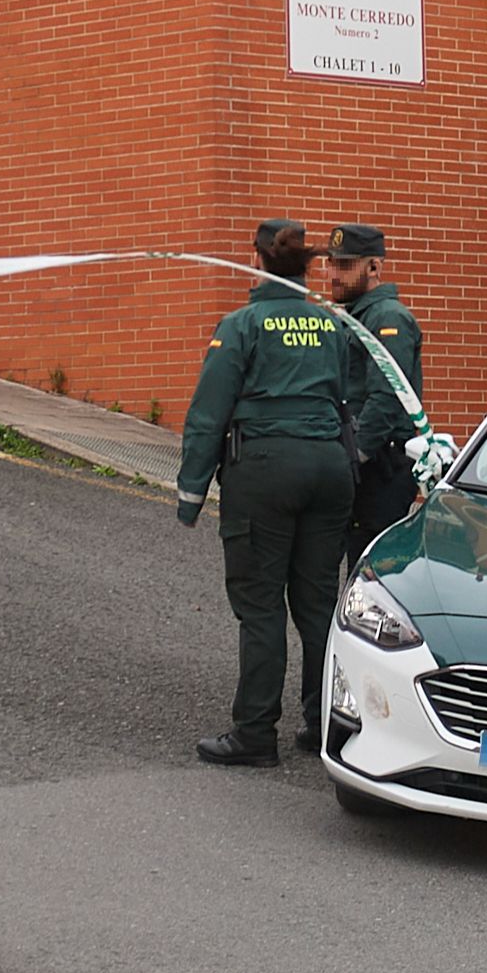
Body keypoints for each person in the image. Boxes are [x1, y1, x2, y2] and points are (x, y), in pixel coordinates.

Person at [174, 216, 357, 767]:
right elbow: (346, 399)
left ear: (256, 260)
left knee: (261, 606)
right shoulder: (334, 325)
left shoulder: (241, 325)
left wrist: (191, 493)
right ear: (305, 268)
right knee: (318, 604)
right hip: (329, 468)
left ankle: (255, 732)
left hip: (265, 469)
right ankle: (325, 724)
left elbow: (209, 412)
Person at [329, 222, 427, 545]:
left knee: (370, 562)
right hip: (360, 462)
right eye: (331, 263)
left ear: (374, 267)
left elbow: (387, 396)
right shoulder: (353, 317)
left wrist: (354, 457)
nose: (333, 274)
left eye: (345, 265)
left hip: (380, 467)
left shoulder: (388, 318)